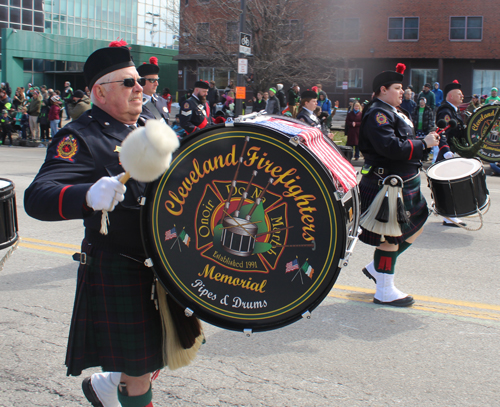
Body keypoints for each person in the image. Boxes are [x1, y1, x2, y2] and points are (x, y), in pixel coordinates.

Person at [24, 40, 201, 407]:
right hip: (121, 265)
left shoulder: (150, 125)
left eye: (139, 81)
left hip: (163, 258)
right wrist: (88, 195)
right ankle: (120, 388)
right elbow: (38, 197)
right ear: (100, 92)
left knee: (166, 347)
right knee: (140, 367)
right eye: (128, 83)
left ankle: (108, 384)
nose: (141, 88)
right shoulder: (80, 137)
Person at [358, 63, 440, 307]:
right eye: (397, 87)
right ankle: (384, 289)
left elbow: (402, 141)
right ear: (382, 89)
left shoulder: (395, 111)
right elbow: (390, 147)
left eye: (402, 87)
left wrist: (425, 141)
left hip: (402, 181)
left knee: (416, 227)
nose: (402, 91)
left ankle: (378, 268)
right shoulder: (377, 113)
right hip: (387, 184)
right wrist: (422, 144)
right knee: (390, 239)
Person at [434, 80, 468, 227]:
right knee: (448, 185)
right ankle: (449, 216)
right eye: (459, 94)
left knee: (452, 185)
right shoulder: (446, 111)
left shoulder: (454, 111)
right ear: (450, 96)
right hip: (447, 153)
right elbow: (442, 132)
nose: (462, 96)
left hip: (453, 152)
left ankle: (449, 215)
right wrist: (446, 150)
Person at [137, 56, 170, 126]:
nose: (157, 84)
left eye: (157, 80)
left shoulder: (162, 101)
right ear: (141, 81)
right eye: (152, 80)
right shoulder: (134, 101)